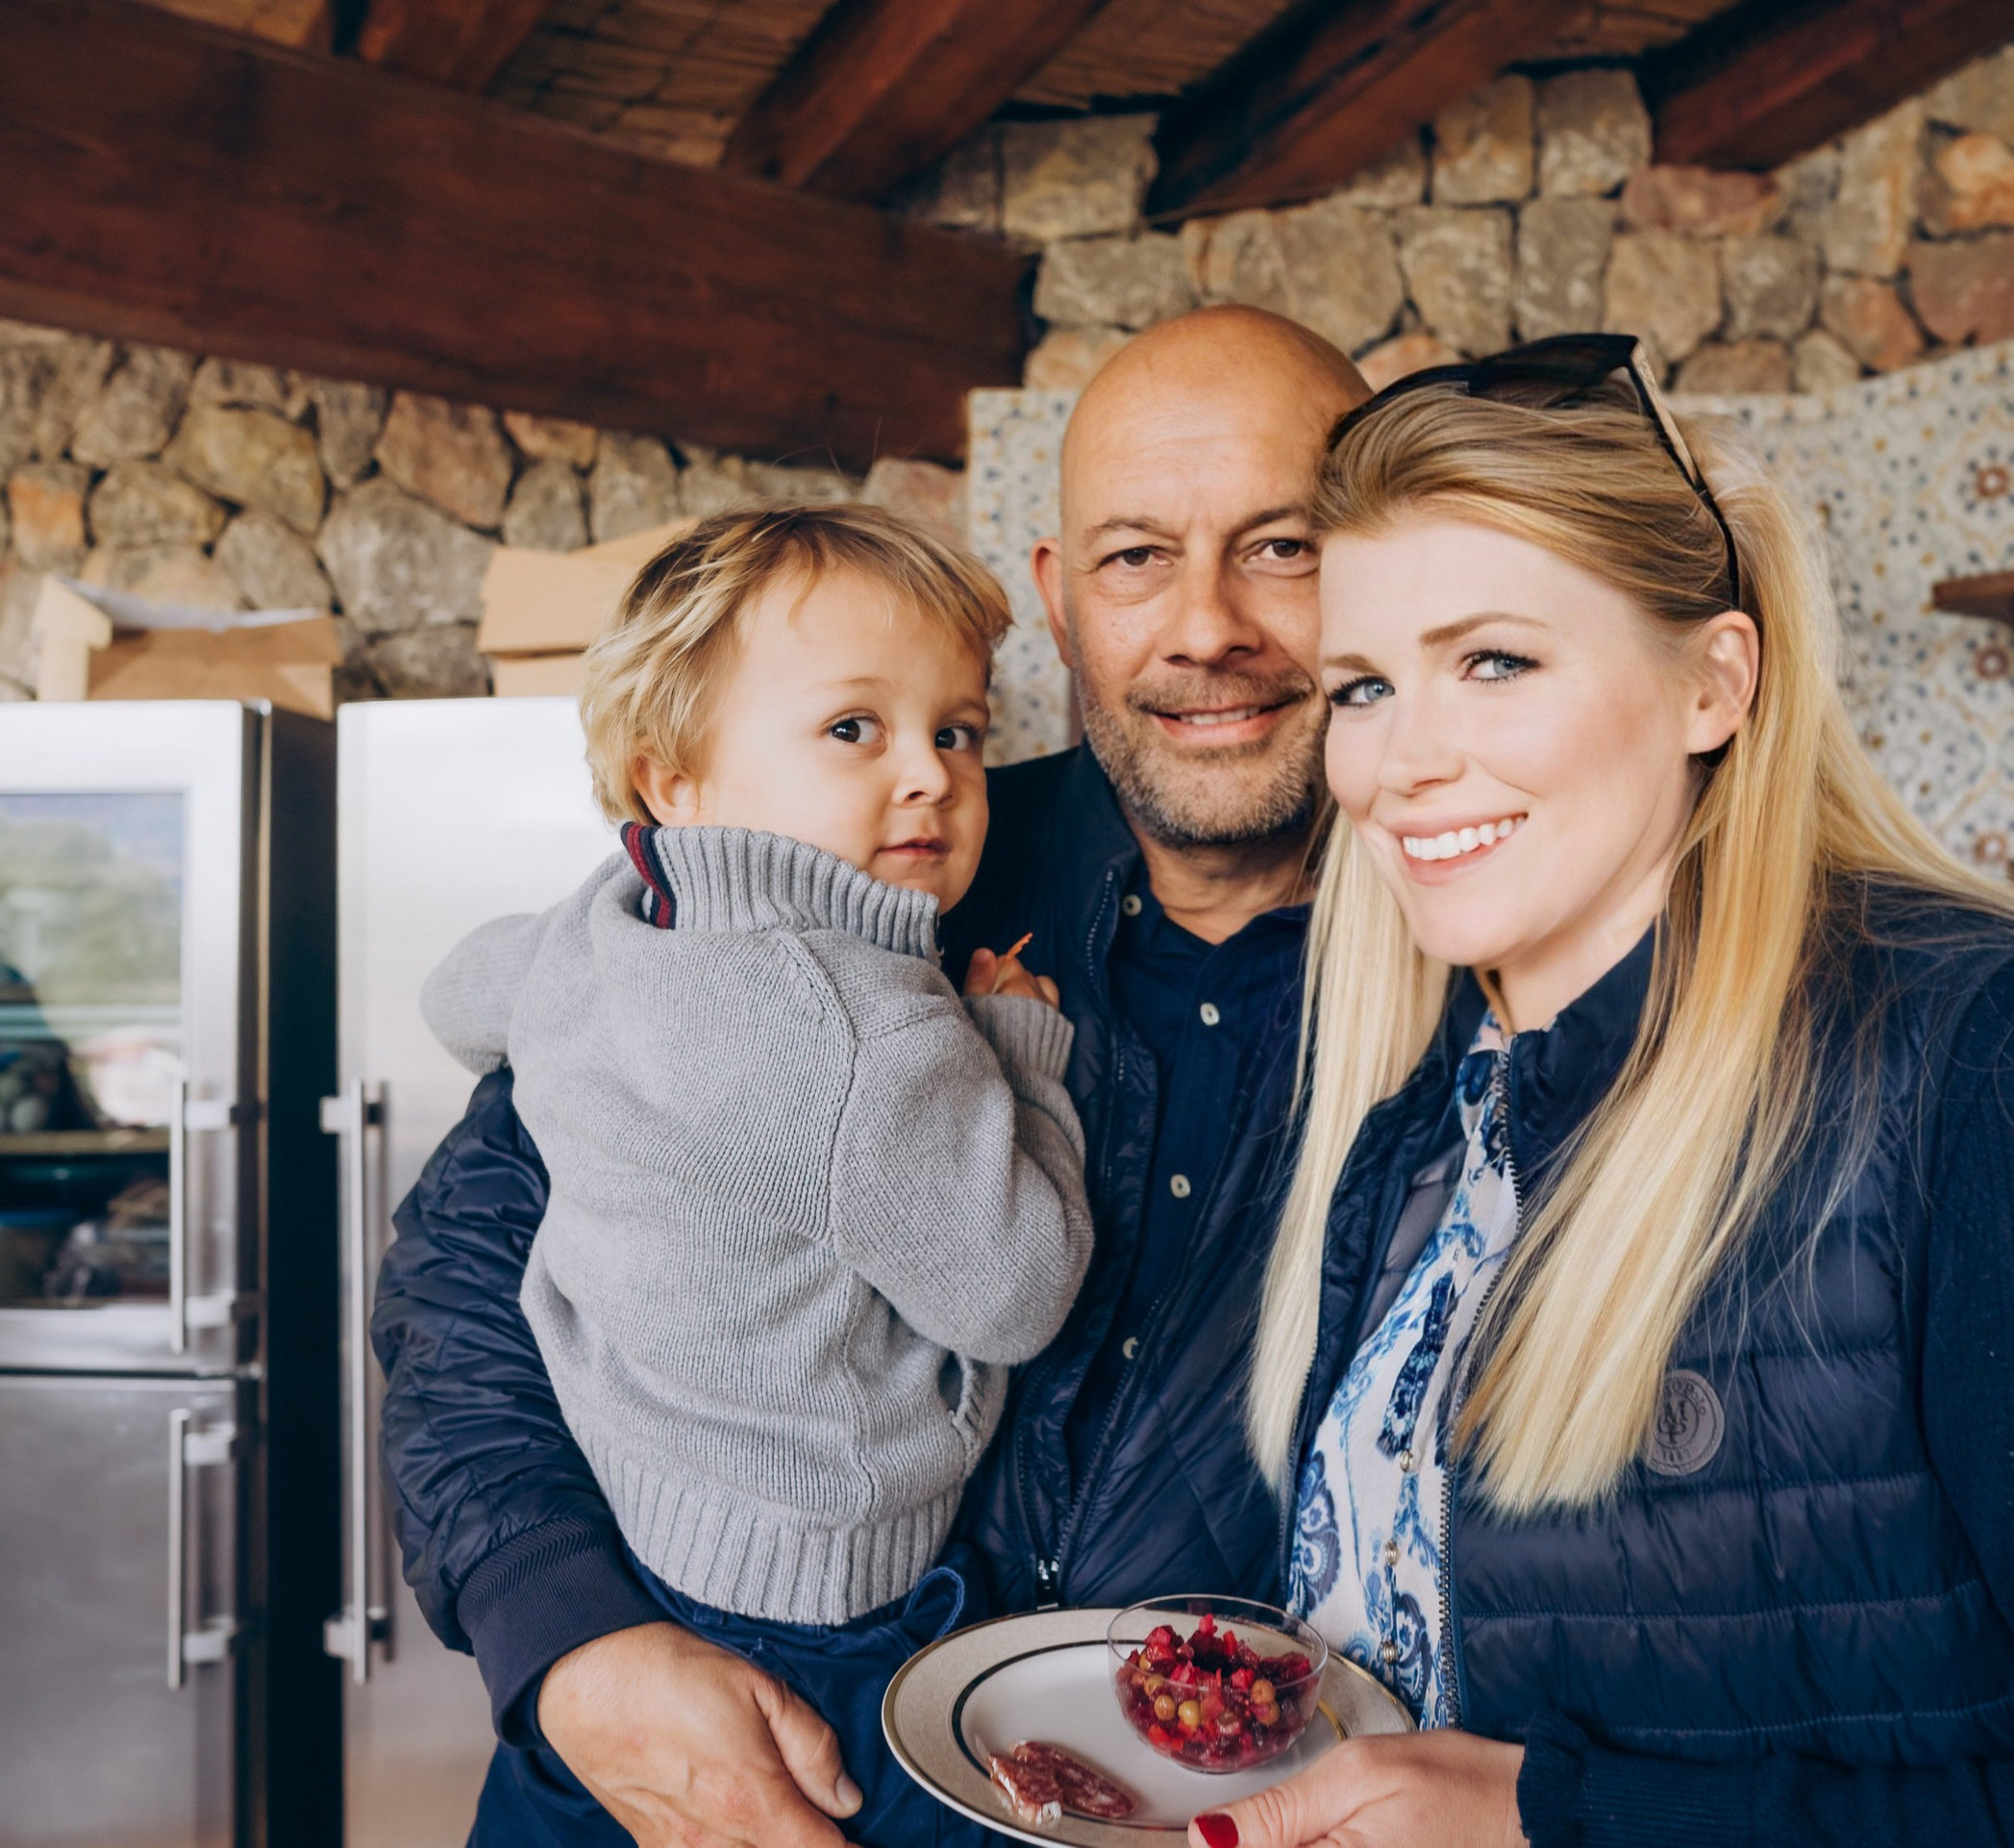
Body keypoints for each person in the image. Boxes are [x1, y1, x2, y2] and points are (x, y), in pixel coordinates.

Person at [1184, 336, 2014, 1848]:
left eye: (1497, 660)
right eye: (1364, 686)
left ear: (1714, 683)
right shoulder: (1409, 1108)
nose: (1402, 761)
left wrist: (1565, 1820)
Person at [369, 307, 1369, 1844]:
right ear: (1057, 597)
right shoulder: (874, 875)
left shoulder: (1480, 939)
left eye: (1284, 546)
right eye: (1134, 557)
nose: (1206, 626)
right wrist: (567, 1636)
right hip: (729, 1704)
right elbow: (463, 1272)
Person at [413, 505, 1094, 1842]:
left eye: (956, 729)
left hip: (626, 1570)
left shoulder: (596, 925)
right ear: (672, 778)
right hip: (829, 1626)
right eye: (856, 728)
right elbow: (1016, 1292)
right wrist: (1020, 1048)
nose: (935, 776)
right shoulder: (874, 1029)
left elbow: (457, 996)